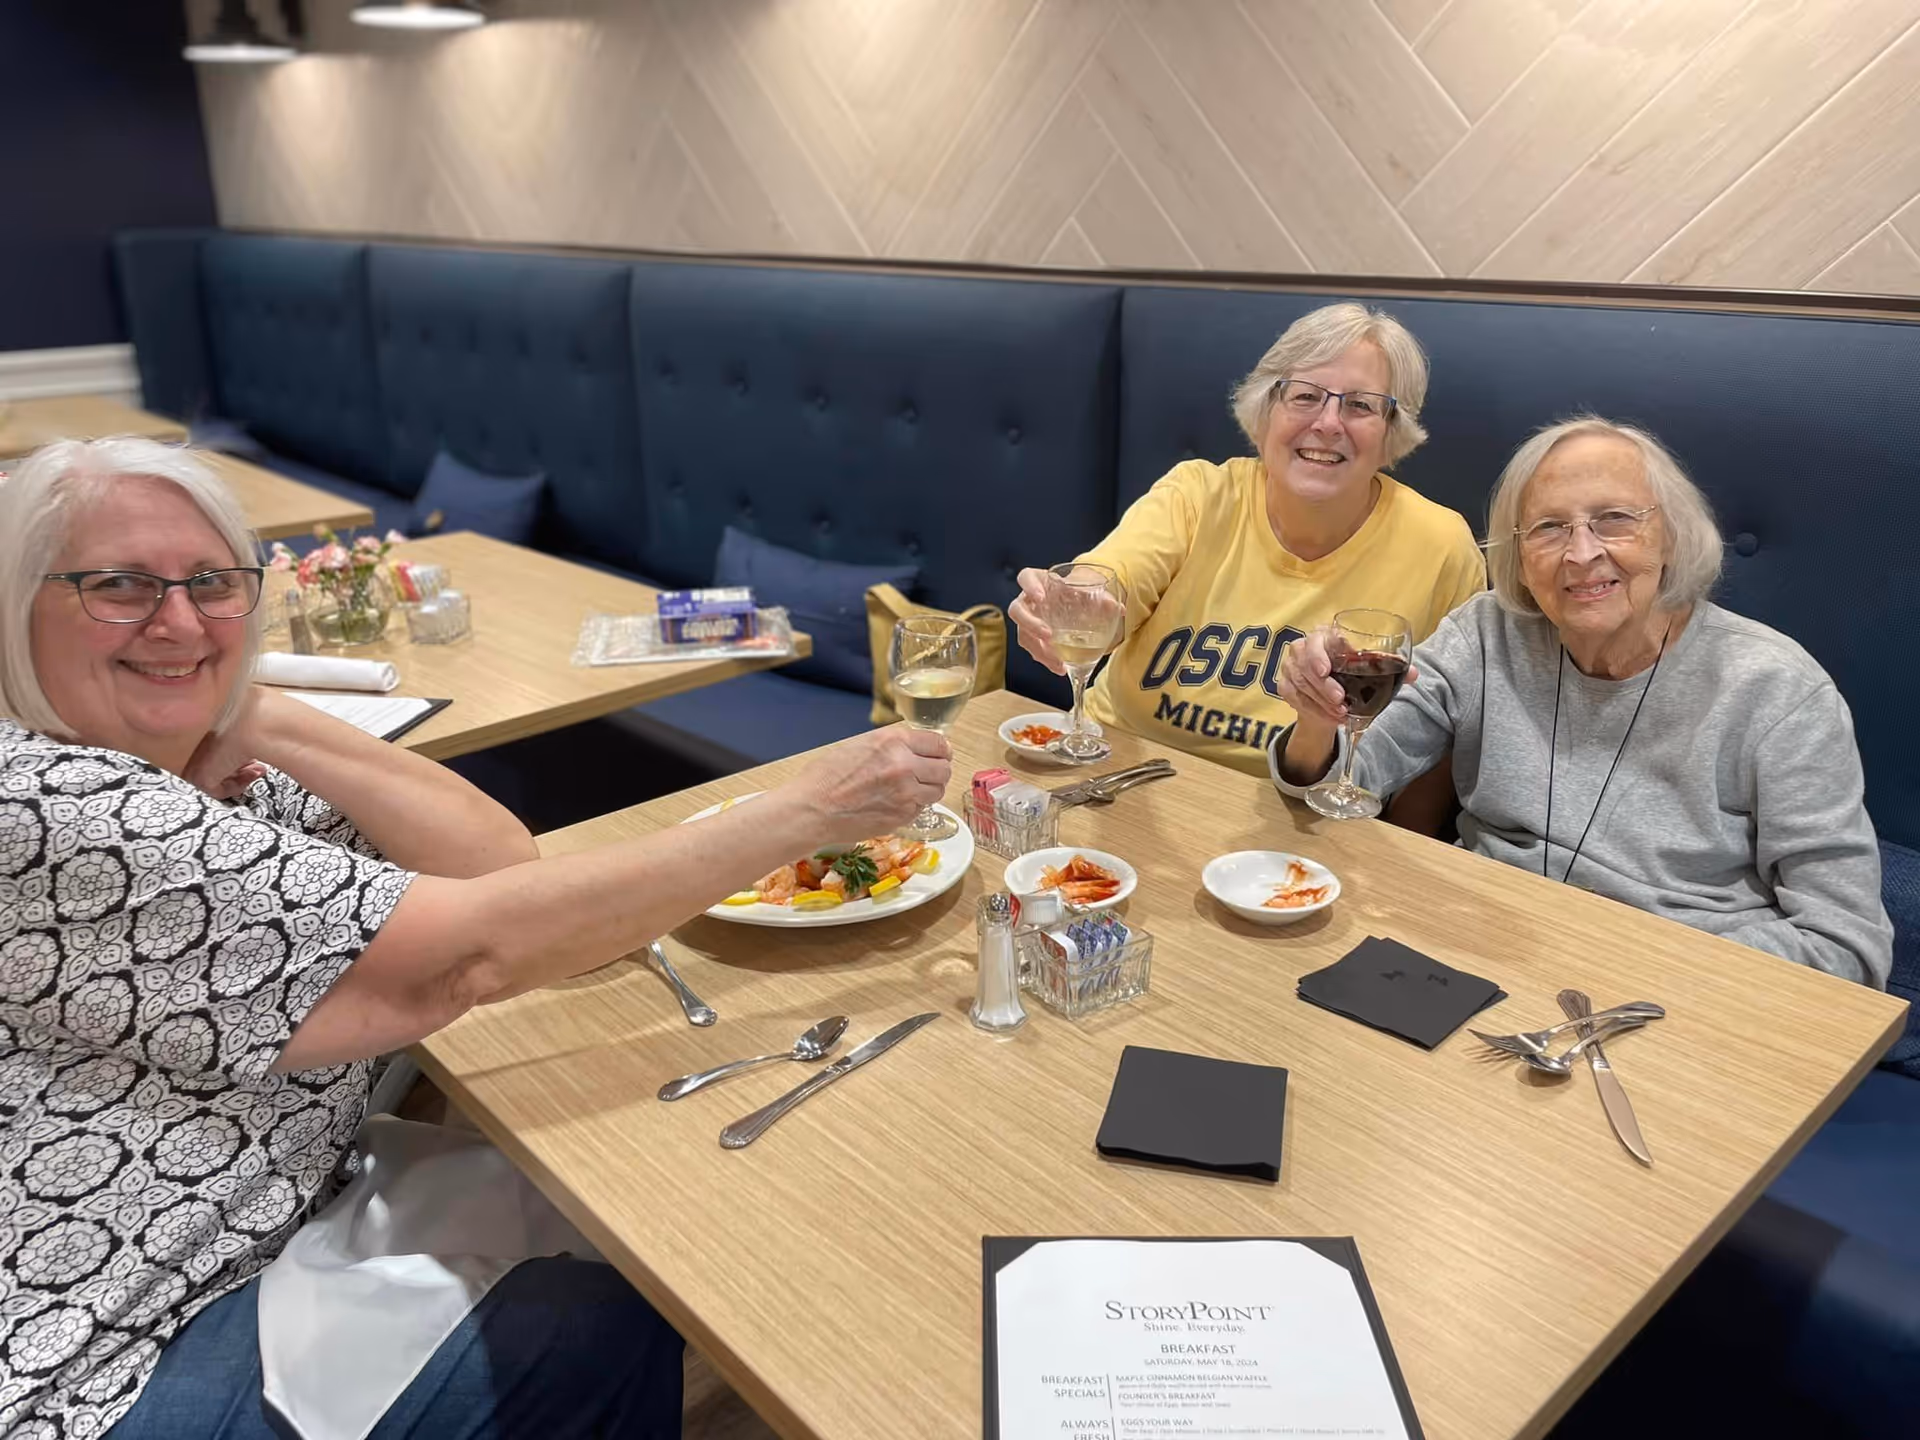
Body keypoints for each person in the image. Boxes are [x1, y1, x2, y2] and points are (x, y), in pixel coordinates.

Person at [0, 438, 952, 1437]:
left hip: (250, 1217)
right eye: (119, 586)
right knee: (609, 1315)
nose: (180, 619)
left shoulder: (192, 760)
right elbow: (462, 960)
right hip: (99, 1351)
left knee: (652, 1226)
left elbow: (496, 868)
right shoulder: (48, 800)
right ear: (19, 606)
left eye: (211, 584)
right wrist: (807, 810)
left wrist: (254, 707)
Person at [1273, 417, 1892, 987]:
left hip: (1676, 990)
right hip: (1475, 952)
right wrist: (1316, 716)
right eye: (1548, 527)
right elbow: (1351, 778)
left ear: (1672, 536)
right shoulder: (1486, 633)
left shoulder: (1778, 690)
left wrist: (1638, 966)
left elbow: (1847, 945)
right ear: (1519, 553)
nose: (1581, 553)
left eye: (1615, 519)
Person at [1009, 302, 1485, 782]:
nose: (1327, 423)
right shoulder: (1197, 494)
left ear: (1391, 435)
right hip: (1118, 771)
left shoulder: (1442, 547)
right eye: (1304, 396)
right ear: (1264, 412)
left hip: (1296, 814)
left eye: (1360, 405)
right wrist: (1066, 606)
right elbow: (1112, 581)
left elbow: (1449, 734)